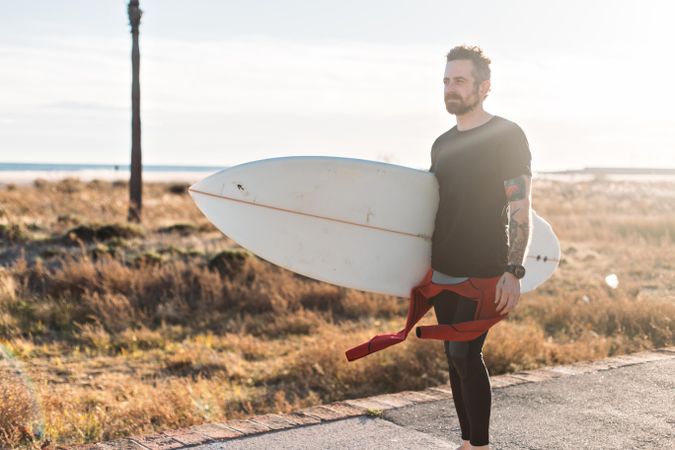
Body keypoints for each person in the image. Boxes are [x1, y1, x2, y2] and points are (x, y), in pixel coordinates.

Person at [428, 45, 532, 450]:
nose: (450, 89)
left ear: (484, 87)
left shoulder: (506, 135)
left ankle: (480, 445)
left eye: (459, 81)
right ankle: (468, 442)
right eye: (446, 81)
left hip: (484, 266)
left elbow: (519, 207)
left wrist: (514, 270)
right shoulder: (441, 144)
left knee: (465, 355)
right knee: (453, 362)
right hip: (444, 266)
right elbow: (434, 207)